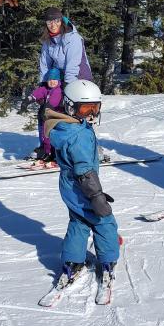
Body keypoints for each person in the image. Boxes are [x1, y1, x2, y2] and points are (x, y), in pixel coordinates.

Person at [44, 80, 119, 294]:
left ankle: (72, 262)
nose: (91, 114)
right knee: (104, 220)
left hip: (69, 185)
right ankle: (107, 261)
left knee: (79, 221)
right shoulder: (78, 134)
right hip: (82, 186)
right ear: (69, 106)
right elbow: (85, 171)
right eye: (85, 109)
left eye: (95, 108)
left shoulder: (66, 125)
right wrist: (96, 196)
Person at [29, 7, 94, 163]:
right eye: (49, 21)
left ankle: (87, 146)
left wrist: (67, 89)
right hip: (59, 80)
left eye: (56, 20)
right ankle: (48, 148)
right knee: (46, 111)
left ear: (61, 20)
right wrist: (43, 85)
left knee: (75, 113)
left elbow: (73, 65)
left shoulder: (73, 38)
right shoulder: (48, 41)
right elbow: (45, 64)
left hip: (78, 78)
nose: (53, 24)